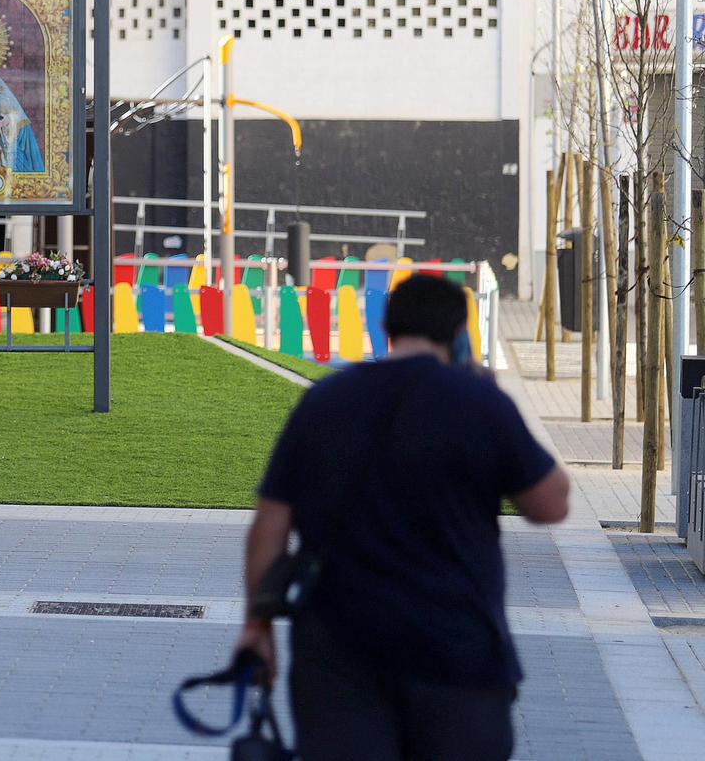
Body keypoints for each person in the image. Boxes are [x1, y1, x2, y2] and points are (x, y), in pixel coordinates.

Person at [234, 274, 570, 761]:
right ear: (459, 333)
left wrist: (256, 628)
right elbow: (551, 504)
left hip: (337, 650)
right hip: (456, 648)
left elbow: (269, 524)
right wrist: (502, 407)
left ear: (386, 326)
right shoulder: (479, 402)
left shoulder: (324, 401)